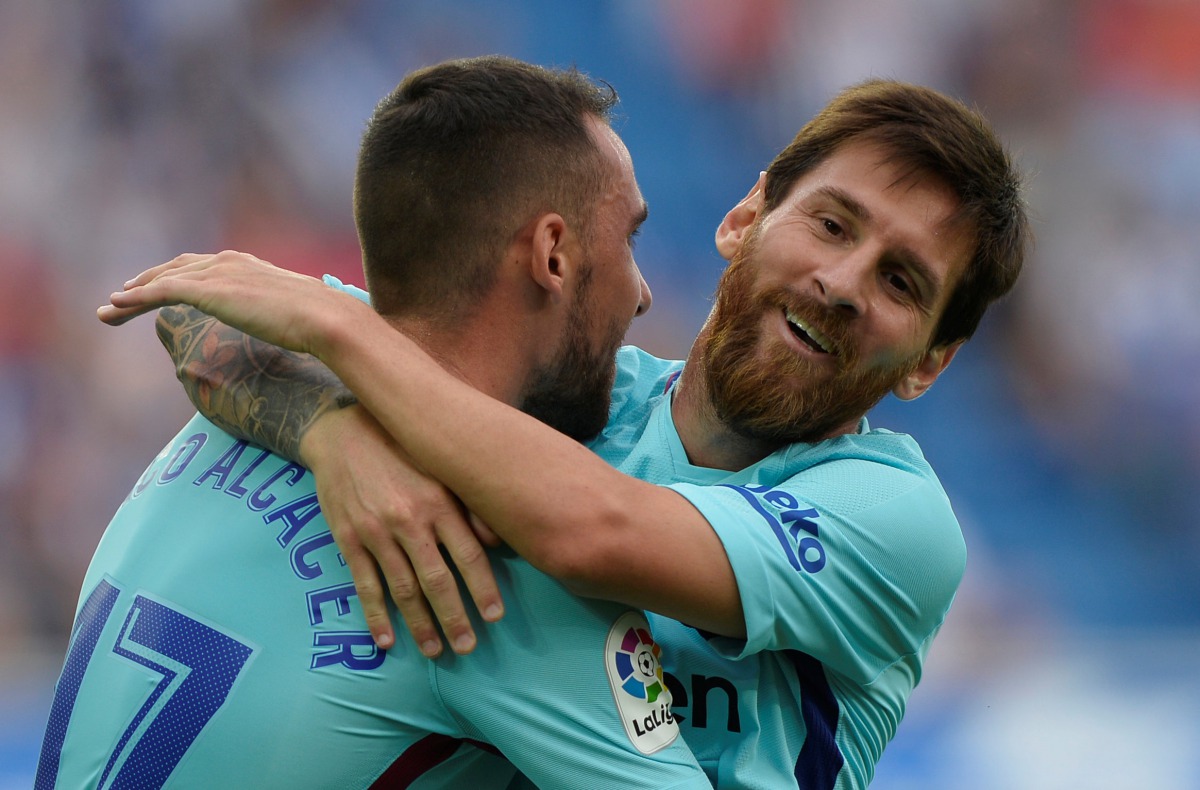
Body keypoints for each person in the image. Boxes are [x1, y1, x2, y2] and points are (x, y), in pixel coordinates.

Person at [102, 78, 1030, 788]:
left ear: (928, 364)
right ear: (745, 218)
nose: (842, 282)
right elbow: (205, 315)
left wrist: (344, 338)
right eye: (832, 224)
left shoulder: (892, 515)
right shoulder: (568, 391)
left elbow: (594, 533)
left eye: (901, 281)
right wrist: (332, 432)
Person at [37, 56, 714, 789]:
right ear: (552, 254)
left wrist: (329, 429)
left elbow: (194, 309)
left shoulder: (260, 382)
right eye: (630, 240)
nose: (643, 294)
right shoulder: (476, 567)